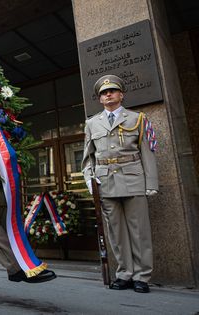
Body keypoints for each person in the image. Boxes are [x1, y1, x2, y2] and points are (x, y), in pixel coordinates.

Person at [82, 74, 158, 293]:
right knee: (116, 233)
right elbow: (89, 157)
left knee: (139, 230)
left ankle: (142, 276)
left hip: (134, 179)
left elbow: (148, 152)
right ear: (100, 99)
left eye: (112, 91)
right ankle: (124, 274)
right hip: (105, 181)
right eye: (104, 93)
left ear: (121, 94)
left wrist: (151, 182)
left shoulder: (137, 118)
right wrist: (89, 178)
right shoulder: (91, 123)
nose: (108, 94)